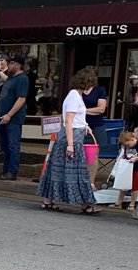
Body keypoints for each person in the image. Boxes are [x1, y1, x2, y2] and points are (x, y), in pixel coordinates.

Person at [36, 68, 98, 215]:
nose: (92, 88)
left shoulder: (76, 95)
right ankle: (85, 205)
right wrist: (70, 144)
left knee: (58, 168)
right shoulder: (74, 97)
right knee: (77, 171)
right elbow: (68, 121)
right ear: (85, 83)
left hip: (73, 135)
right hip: (72, 137)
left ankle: (48, 200)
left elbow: (75, 118)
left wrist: (86, 126)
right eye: (91, 85)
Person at [0, 54, 29, 181]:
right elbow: (3, 97)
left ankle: (12, 171)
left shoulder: (22, 79)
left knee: (13, 145)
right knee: (4, 145)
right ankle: (5, 170)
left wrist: (9, 114)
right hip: (2, 116)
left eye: (10, 63)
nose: (8, 66)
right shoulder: (10, 78)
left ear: (17, 65)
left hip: (13, 119)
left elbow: (21, 99)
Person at [82, 70, 108, 186]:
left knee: (93, 154)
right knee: (78, 152)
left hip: (96, 125)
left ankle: (91, 182)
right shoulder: (78, 90)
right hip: (80, 125)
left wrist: (82, 110)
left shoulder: (100, 90)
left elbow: (101, 109)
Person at [114, 130, 138, 210]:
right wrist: (123, 159)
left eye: (128, 145)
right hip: (128, 167)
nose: (128, 147)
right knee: (123, 184)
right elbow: (124, 153)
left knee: (135, 186)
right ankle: (119, 201)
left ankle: (132, 203)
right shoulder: (125, 145)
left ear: (132, 139)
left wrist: (136, 158)